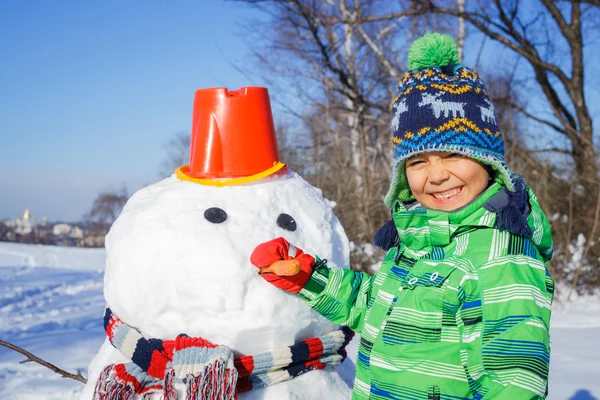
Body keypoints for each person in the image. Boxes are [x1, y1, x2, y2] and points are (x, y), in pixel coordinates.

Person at [250, 33, 554, 400]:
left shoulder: (501, 259)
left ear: (488, 161)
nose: (436, 175)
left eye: (453, 155)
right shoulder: (419, 241)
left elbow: (515, 386)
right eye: (419, 161)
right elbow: (373, 306)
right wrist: (307, 275)